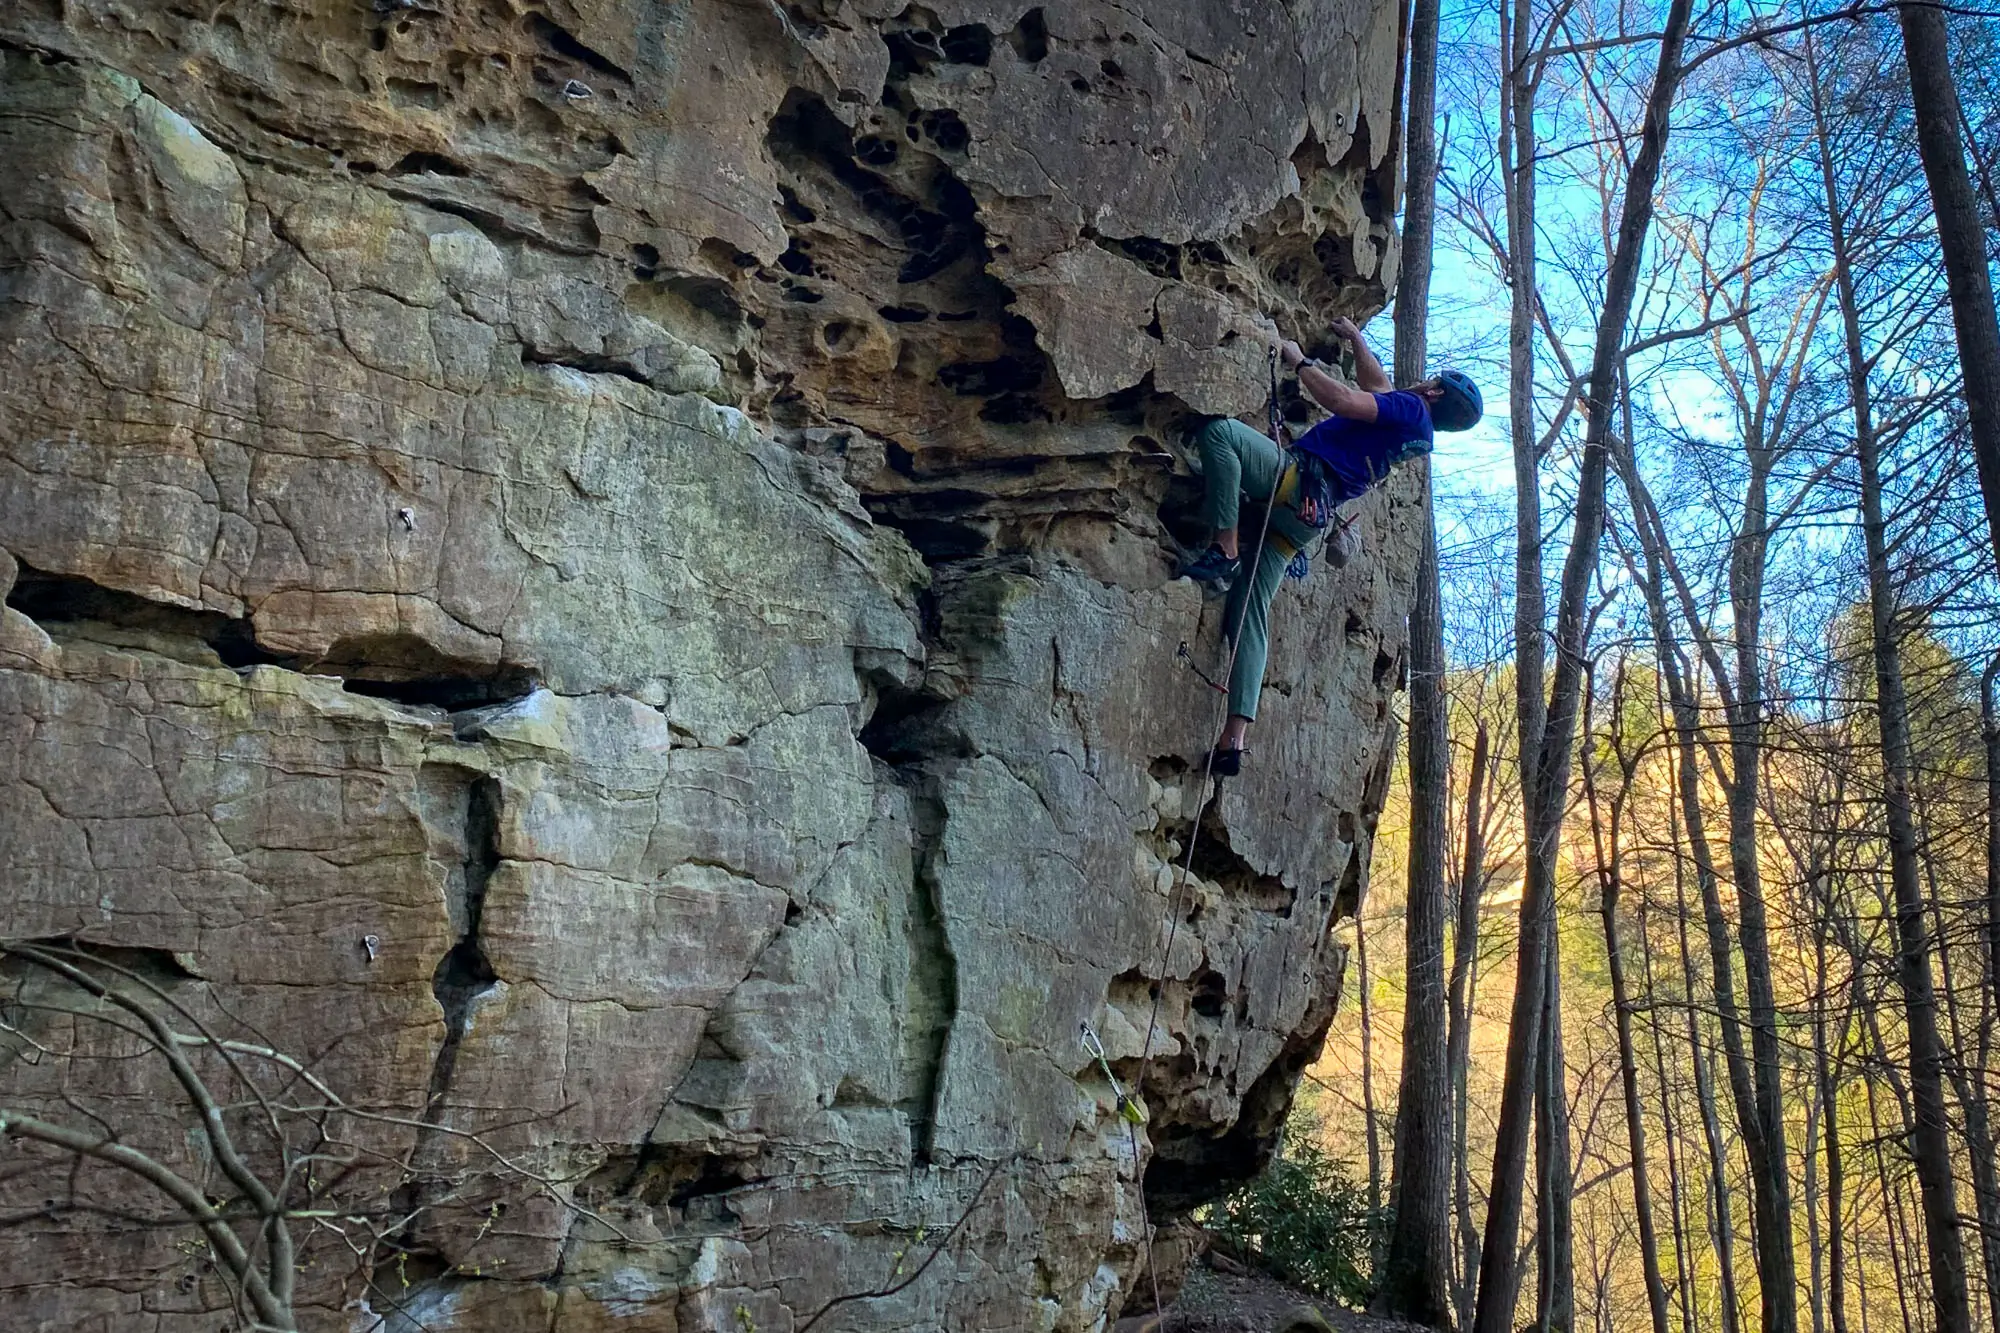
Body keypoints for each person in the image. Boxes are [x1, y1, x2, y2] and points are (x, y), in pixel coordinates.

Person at [1179, 318, 1482, 776]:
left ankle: (1225, 548)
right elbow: (1375, 383)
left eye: (1433, 380)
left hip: (1294, 483)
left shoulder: (1409, 409)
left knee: (1221, 435)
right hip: (1302, 523)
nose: (1425, 381)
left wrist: (1299, 361)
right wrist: (1358, 341)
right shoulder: (1418, 430)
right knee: (1250, 613)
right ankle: (1234, 739)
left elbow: (1341, 399)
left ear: (1435, 392)